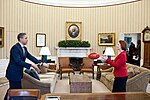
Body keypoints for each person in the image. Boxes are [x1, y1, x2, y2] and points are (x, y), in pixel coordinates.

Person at [4, 33, 48, 100]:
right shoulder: (15, 48)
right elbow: (18, 61)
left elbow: (31, 57)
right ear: (21, 39)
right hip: (13, 73)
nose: (27, 40)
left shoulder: (24, 48)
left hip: (18, 73)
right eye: (26, 38)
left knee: (14, 90)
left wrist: (41, 64)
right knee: (15, 91)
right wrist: (31, 65)